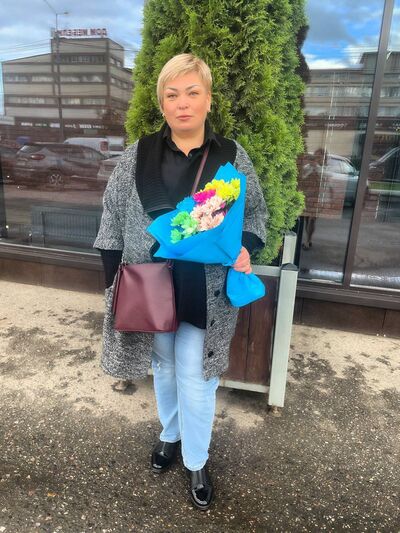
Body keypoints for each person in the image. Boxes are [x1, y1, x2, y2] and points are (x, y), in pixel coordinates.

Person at [94, 53, 267, 510]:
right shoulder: (139, 154)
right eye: (172, 95)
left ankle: (196, 459)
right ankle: (170, 435)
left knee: (196, 373)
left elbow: (255, 215)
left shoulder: (231, 156)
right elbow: (111, 215)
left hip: (204, 289)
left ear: (208, 100)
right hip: (149, 284)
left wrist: (247, 245)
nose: (182, 103)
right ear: (162, 103)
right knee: (165, 367)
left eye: (192, 92)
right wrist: (113, 285)